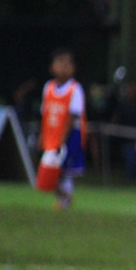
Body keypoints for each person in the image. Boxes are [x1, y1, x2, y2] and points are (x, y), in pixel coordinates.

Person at [40, 48, 87, 210]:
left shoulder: (75, 89)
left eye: (68, 64)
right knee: (49, 171)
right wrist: (43, 136)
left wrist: (62, 139)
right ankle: (65, 197)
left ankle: (64, 202)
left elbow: (72, 116)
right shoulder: (48, 88)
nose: (64, 67)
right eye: (60, 63)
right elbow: (45, 113)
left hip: (69, 136)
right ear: (52, 67)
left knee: (66, 171)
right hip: (52, 135)